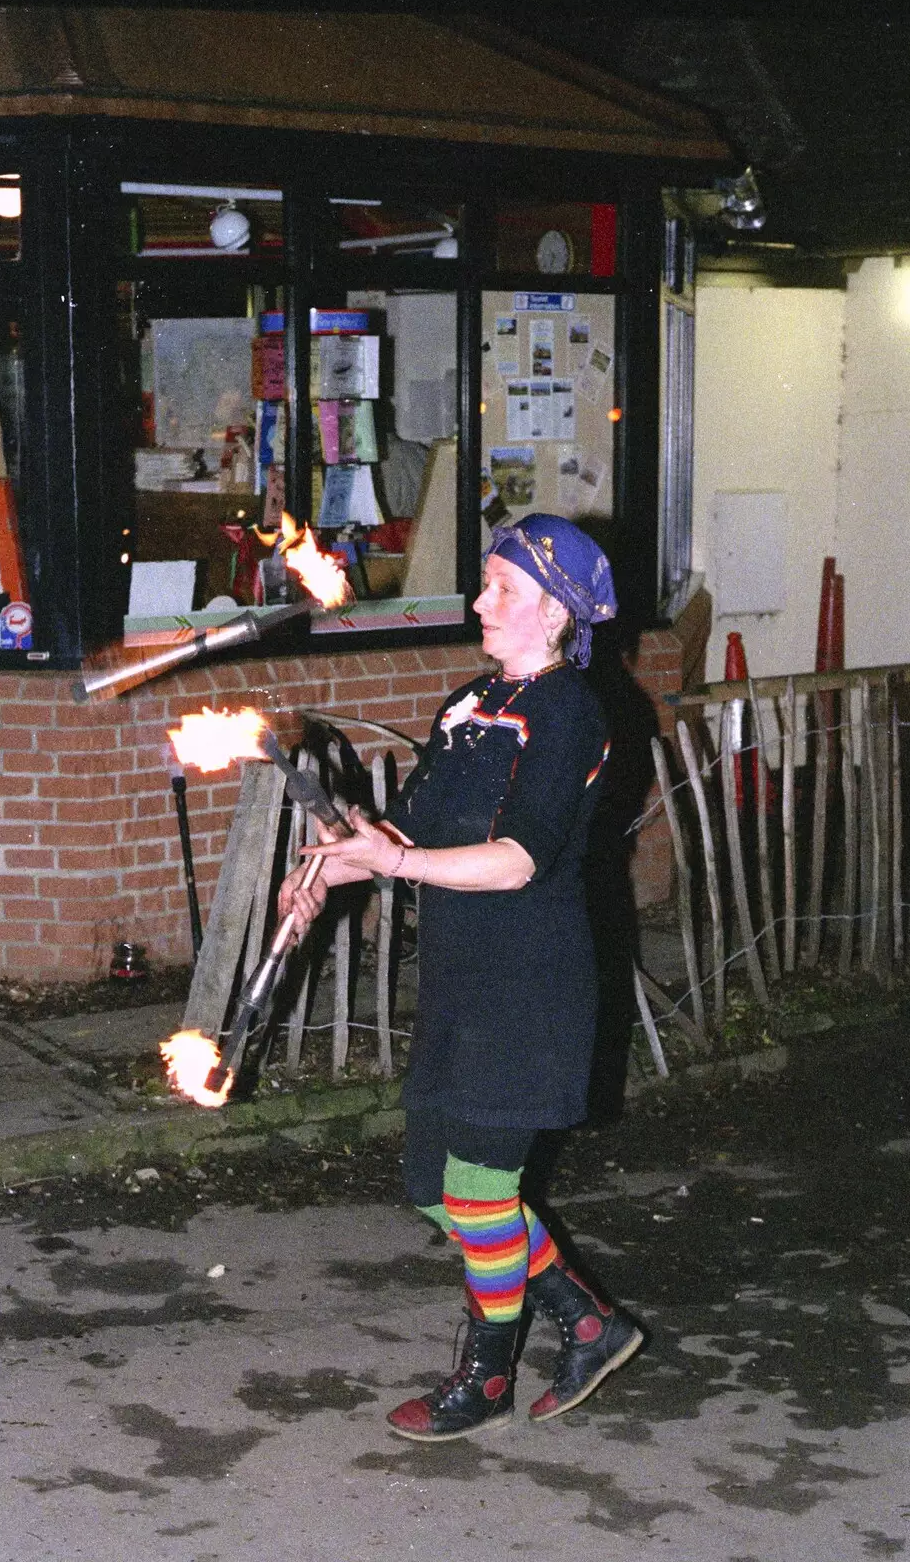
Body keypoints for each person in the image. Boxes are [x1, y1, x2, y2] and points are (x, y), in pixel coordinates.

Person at [278, 513, 643, 1443]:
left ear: (557, 615)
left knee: (482, 1190)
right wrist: (331, 867)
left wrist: (393, 867)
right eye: (484, 583)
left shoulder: (567, 712)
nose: (481, 601)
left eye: (503, 590)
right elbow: (403, 836)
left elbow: (518, 859)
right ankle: (588, 1321)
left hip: (530, 985)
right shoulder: (468, 704)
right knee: (436, 1186)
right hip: (460, 981)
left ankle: (485, 1378)